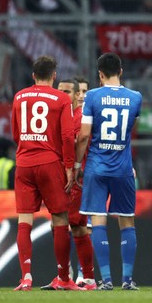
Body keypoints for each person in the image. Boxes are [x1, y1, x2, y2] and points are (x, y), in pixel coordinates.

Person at [10, 55, 82, 291]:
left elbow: (15, 132)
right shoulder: (61, 99)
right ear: (54, 75)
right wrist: (69, 166)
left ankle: (26, 277)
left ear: (33, 76)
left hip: (24, 163)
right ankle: (63, 277)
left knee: (24, 219)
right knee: (60, 218)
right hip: (50, 163)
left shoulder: (19, 96)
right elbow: (66, 136)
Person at [75, 53, 142, 291]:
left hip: (97, 167)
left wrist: (75, 165)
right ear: (121, 71)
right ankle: (127, 280)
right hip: (123, 168)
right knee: (127, 221)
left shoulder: (92, 96)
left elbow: (84, 135)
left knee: (98, 220)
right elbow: (130, 129)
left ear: (100, 74)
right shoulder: (136, 97)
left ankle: (106, 280)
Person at [41, 78, 96, 290]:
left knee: (76, 225)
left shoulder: (81, 116)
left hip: (76, 177)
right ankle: (68, 275)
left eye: (67, 91)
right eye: (60, 90)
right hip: (60, 177)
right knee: (60, 226)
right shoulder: (57, 114)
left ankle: (82, 278)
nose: (62, 95)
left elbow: (79, 142)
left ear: (76, 95)